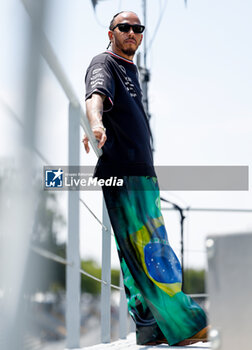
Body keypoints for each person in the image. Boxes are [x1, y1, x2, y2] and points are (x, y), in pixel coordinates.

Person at [83, 10, 209, 346]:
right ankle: (187, 324)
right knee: (154, 250)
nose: (132, 33)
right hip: (127, 175)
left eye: (137, 29)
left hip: (137, 175)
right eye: (124, 27)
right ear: (111, 33)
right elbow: (95, 96)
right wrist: (95, 124)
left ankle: (149, 328)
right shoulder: (104, 62)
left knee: (134, 257)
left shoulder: (129, 69)